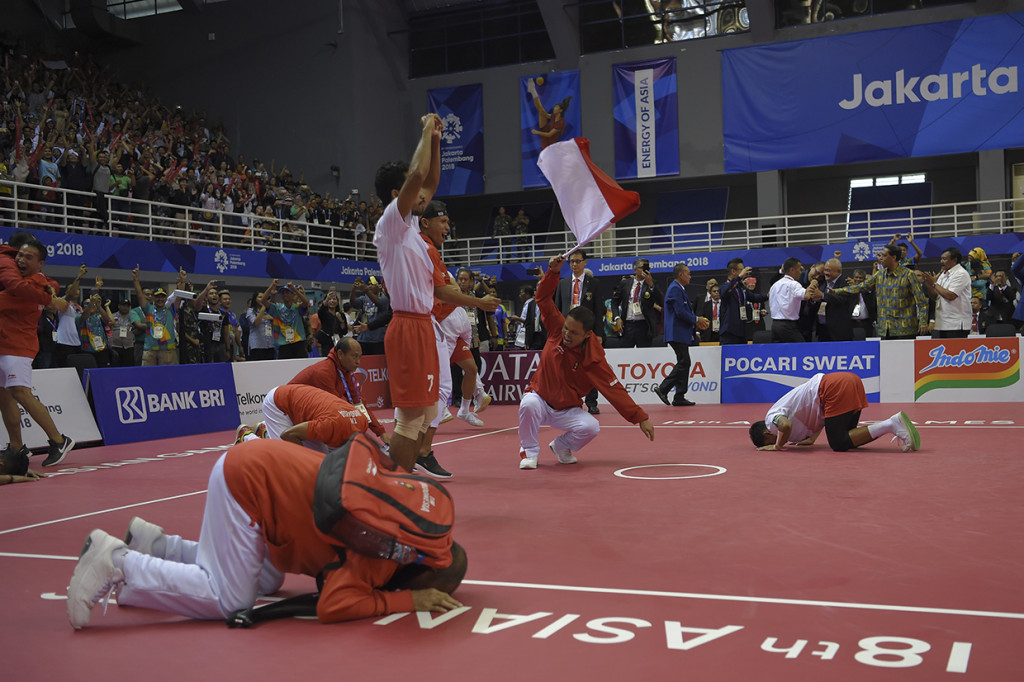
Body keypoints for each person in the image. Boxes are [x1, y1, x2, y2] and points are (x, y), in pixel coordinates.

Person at [66, 438, 466, 629]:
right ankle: (117, 561)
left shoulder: (400, 521)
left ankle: (160, 546)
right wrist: (406, 600)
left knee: (269, 579)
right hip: (249, 485)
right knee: (230, 598)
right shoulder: (382, 553)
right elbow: (334, 606)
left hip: (258, 464)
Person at [371, 113, 497, 475]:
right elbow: (417, 176)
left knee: (428, 411)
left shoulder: (412, 228)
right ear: (398, 195)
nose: (424, 193)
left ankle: (405, 475)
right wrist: (425, 131)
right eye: (415, 190)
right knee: (411, 419)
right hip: (408, 325)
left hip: (425, 325)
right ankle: (392, 488)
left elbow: (430, 179)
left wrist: (438, 140)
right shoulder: (391, 224)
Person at [518, 255, 654, 470]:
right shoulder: (556, 327)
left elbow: (614, 390)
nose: (566, 335)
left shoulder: (594, 360)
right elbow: (543, 299)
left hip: (567, 410)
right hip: (540, 399)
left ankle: (561, 447)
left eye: (573, 333)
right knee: (528, 403)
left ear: (587, 334)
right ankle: (530, 451)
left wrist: (641, 417)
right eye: (566, 329)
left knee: (591, 426)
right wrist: (552, 273)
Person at [0, 238, 75, 469]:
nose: (21, 260)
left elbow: (12, 298)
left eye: (28, 257)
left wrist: (51, 299)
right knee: (4, 396)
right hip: (4, 343)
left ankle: (59, 440)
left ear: (40, 263)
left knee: (21, 392)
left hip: (19, 346)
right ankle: (16, 446)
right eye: (20, 256)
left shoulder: (37, 283)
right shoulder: (38, 283)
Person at [748, 372, 920, 453]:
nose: (772, 443)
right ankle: (891, 425)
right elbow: (813, 418)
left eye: (767, 442)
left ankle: (891, 424)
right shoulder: (795, 434)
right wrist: (812, 438)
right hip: (850, 381)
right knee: (847, 439)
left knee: (837, 444)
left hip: (831, 388)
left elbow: (786, 425)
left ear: (766, 434)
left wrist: (777, 446)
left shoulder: (771, 420)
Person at [288, 337, 390, 446]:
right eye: (354, 356)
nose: (358, 362)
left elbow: (359, 404)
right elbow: (336, 411)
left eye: (360, 357)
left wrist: (381, 432)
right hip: (287, 410)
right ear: (340, 354)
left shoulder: (346, 371)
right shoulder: (324, 372)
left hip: (306, 411)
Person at [832, 244, 928, 340]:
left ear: (894, 257)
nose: (881, 258)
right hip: (885, 329)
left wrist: (923, 322)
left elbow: (922, 301)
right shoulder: (879, 275)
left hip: (905, 329)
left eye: (884, 255)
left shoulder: (909, 274)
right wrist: (837, 291)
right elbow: (861, 287)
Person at [554, 249, 605, 413]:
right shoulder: (563, 283)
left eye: (577, 261)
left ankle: (592, 402)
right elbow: (557, 309)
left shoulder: (594, 284)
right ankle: (567, 400)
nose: (574, 264)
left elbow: (599, 310)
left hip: (587, 332)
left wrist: (598, 334)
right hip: (567, 332)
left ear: (585, 262)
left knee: (589, 366)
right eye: (571, 262)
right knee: (565, 366)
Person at [250, 383, 369, 452]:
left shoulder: (362, 422)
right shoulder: (329, 426)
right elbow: (288, 435)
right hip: (278, 403)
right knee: (287, 460)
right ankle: (247, 437)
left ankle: (266, 432)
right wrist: (304, 462)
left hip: (303, 408)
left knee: (321, 458)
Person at [654, 263, 708, 407]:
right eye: (688, 273)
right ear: (680, 274)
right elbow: (680, 312)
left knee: (684, 362)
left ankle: (679, 396)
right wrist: (697, 320)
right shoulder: (675, 289)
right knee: (684, 362)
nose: (690, 276)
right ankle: (663, 388)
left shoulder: (678, 289)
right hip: (676, 332)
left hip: (680, 331)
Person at [917, 247, 972, 339]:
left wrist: (934, 284)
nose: (941, 261)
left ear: (954, 260)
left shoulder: (961, 273)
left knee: (955, 352)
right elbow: (936, 297)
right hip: (942, 323)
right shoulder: (944, 274)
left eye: (944, 259)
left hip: (956, 324)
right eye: (941, 258)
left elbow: (951, 295)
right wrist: (929, 285)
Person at [611, 257, 663, 349]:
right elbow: (614, 302)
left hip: (644, 326)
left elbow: (661, 301)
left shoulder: (652, 284)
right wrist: (617, 317)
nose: (645, 270)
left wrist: (651, 284)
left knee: (644, 355)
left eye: (647, 268)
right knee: (625, 353)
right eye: (642, 267)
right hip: (627, 325)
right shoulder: (625, 283)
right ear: (635, 269)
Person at [769, 258, 820, 343]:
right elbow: (806, 296)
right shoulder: (794, 284)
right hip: (787, 326)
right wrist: (813, 283)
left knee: (779, 353)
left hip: (774, 325)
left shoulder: (775, 285)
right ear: (792, 270)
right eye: (799, 269)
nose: (801, 272)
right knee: (802, 350)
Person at [718, 259, 768, 345]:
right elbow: (724, 292)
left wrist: (768, 295)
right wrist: (739, 277)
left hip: (742, 330)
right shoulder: (725, 286)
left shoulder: (741, 288)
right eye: (742, 269)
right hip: (729, 332)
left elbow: (753, 297)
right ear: (733, 271)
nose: (744, 272)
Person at [812, 258, 855, 342]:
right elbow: (818, 299)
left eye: (828, 270)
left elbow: (842, 299)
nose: (825, 273)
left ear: (838, 272)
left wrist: (823, 295)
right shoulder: (822, 282)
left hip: (840, 332)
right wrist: (814, 300)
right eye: (825, 270)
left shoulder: (847, 282)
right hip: (823, 331)